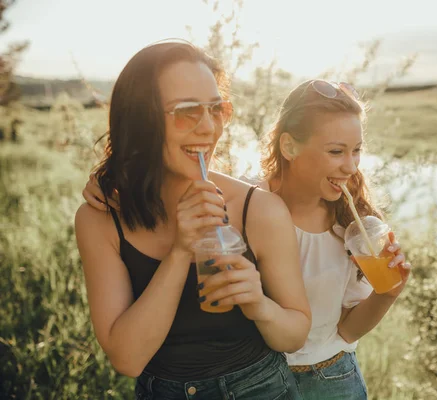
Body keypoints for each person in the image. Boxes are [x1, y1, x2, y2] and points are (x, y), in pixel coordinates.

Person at [83, 78, 411, 399]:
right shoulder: (250, 204)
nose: (351, 166)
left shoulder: (354, 229)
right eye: (337, 151)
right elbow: (188, 178)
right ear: (289, 146)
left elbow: (348, 329)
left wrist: (387, 294)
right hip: (259, 377)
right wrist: (113, 179)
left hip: (331, 379)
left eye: (356, 151)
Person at [74, 40, 311, 400]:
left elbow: (295, 335)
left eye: (216, 109)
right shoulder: (102, 219)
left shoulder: (259, 210)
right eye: (186, 111)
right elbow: (127, 359)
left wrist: (260, 305)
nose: (208, 128)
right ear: (141, 119)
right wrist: (181, 251)